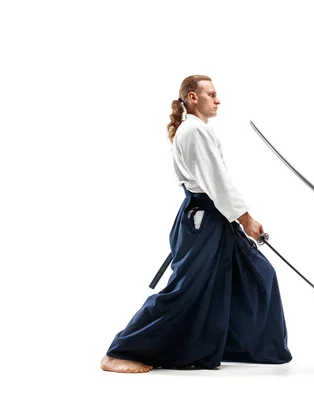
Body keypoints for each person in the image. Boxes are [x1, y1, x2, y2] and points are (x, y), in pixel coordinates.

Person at [100, 75, 292, 373]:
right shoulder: (193, 132)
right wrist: (246, 218)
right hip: (203, 221)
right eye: (211, 94)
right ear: (192, 97)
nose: (217, 99)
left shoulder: (198, 131)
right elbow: (217, 182)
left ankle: (237, 346)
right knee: (184, 290)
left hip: (215, 218)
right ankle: (120, 350)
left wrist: (238, 219)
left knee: (257, 274)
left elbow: (218, 182)